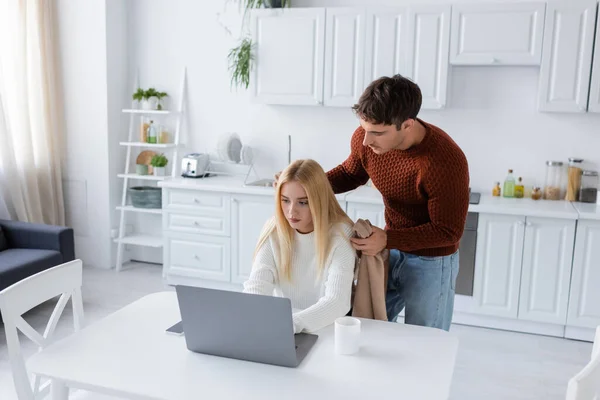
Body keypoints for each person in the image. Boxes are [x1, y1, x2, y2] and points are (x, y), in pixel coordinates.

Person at [326, 74, 470, 331]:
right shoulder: (367, 138)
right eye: (364, 129)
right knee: (367, 327)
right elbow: (350, 174)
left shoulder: (444, 160)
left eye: (377, 133)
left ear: (407, 125)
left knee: (425, 340)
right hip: (389, 251)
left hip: (431, 261)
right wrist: (307, 183)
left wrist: (388, 239)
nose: (366, 141)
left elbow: (448, 231)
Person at [243, 159, 356, 334]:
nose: (291, 212)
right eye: (285, 200)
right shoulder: (274, 228)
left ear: (319, 200)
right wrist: (252, 315)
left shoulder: (340, 234)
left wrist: (290, 324)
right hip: (283, 328)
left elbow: (337, 302)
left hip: (325, 331)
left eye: (303, 202)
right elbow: (257, 284)